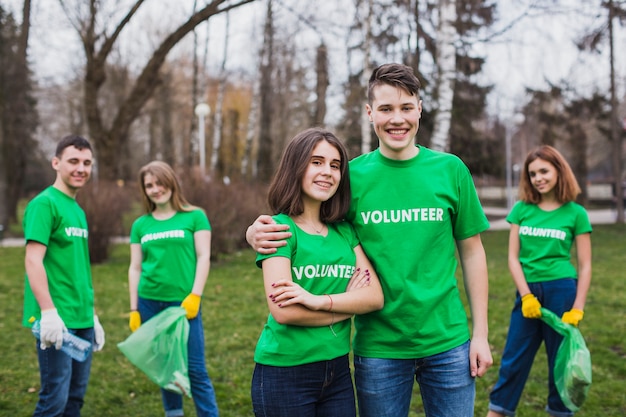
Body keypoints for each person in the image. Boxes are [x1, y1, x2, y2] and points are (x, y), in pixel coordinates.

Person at [246, 63, 492, 417]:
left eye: (407, 107)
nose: (398, 119)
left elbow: (472, 253)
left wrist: (480, 334)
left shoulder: (450, 170)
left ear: (419, 109)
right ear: (369, 113)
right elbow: (306, 216)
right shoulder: (350, 177)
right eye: (386, 109)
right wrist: (253, 232)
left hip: (448, 342)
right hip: (378, 348)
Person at [251, 127, 384, 417]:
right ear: (295, 167)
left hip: (337, 370)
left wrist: (316, 300)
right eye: (316, 162)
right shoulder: (278, 230)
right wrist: (347, 307)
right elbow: (284, 311)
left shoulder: (344, 231)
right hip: (285, 372)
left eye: (335, 166)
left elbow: (374, 297)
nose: (327, 172)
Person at [487, 145, 592, 417]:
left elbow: (586, 264)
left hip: (562, 291)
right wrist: (526, 295)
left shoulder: (576, 214)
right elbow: (512, 258)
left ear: (559, 170)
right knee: (512, 360)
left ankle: (559, 412)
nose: (538, 178)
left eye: (544, 171)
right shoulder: (522, 209)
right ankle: (498, 410)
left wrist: (578, 306)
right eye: (533, 173)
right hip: (528, 293)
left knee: (560, 360)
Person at [22, 134, 106, 417]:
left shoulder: (77, 210)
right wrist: (47, 312)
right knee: (53, 401)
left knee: (74, 399)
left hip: (81, 317)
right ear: (56, 163)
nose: (81, 168)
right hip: (56, 319)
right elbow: (33, 260)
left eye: (87, 163)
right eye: (73, 161)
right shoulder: (44, 204)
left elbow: (78, 267)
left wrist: (91, 315)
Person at [127, 160, 219, 417]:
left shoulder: (195, 216)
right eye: (149, 185)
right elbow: (135, 267)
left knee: (195, 370)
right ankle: (173, 413)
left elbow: (203, 257)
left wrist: (195, 295)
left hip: (183, 305)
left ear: (171, 183)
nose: (156, 189)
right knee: (166, 369)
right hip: (149, 303)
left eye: (160, 182)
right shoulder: (140, 225)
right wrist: (134, 309)